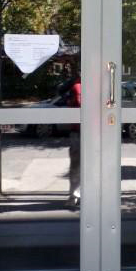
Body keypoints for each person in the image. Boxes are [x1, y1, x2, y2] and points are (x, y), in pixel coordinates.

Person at [59, 63, 81, 207]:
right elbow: (78, 103)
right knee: (78, 165)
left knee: (77, 165)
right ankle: (75, 195)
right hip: (80, 132)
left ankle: (75, 196)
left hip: (81, 132)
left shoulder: (77, 86)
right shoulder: (76, 86)